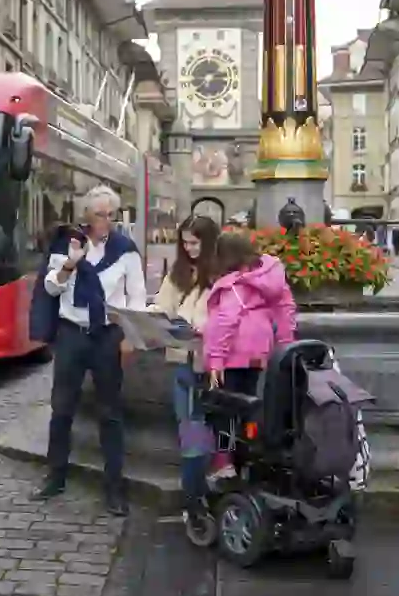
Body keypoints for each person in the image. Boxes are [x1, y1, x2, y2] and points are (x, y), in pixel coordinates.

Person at [28, 185, 148, 516]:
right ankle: (55, 476)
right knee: (62, 407)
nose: (106, 222)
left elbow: (137, 297)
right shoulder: (67, 244)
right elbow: (51, 287)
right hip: (71, 334)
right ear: (86, 216)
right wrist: (69, 264)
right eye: (100, 215)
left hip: (107, 335)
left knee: (110, 413)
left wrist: (129, 336)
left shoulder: (126, 250)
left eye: (111, 215)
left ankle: (114, 488)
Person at [203, 231, 297, 478]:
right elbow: (286, 309)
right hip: (258, 352)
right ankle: (246, 461)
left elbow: (226, 320)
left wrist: (215, 360)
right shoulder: (270, 275)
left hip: (233, 353)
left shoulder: (235, 284)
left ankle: (224, 463)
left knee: (223, 409)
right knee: (248, 406)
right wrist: (287, 344)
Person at [149, 215, 221, 521]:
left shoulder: (220, 274)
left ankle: (206, 495)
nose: (189, 248)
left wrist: (201, 326)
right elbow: (162, 305)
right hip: (183, 364)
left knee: (213, 434)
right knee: (190, 432)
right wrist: (149, 315)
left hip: (212, 366)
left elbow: (225, 315)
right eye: (185, 243)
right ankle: (193, 499)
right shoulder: (177, 272)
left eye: (195, 242)